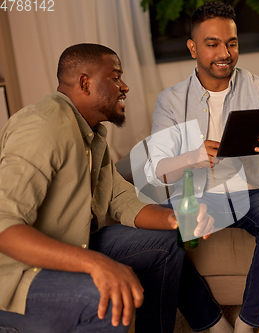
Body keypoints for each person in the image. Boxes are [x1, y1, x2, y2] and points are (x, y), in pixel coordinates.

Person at [0, 43, 216, 333]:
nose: (124, 86)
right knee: (107, 296)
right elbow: (3, 224)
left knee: (166, 242)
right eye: (115, 77)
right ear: (85, 83)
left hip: (72, 244)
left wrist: (175, 218)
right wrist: (96, 265)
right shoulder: (42, 125)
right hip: (16, 276)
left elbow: (121, 199)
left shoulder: (92, 134)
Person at [145, 2, 259, 332]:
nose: (225, 52)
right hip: (198, 196)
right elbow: (158, 170)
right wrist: (192, 157)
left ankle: (248, 323)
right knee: (153, 238)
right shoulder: (170, 100)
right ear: (192, 47)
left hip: (255, 192)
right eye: (212, 44)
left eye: (231, 43)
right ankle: (210, 322)